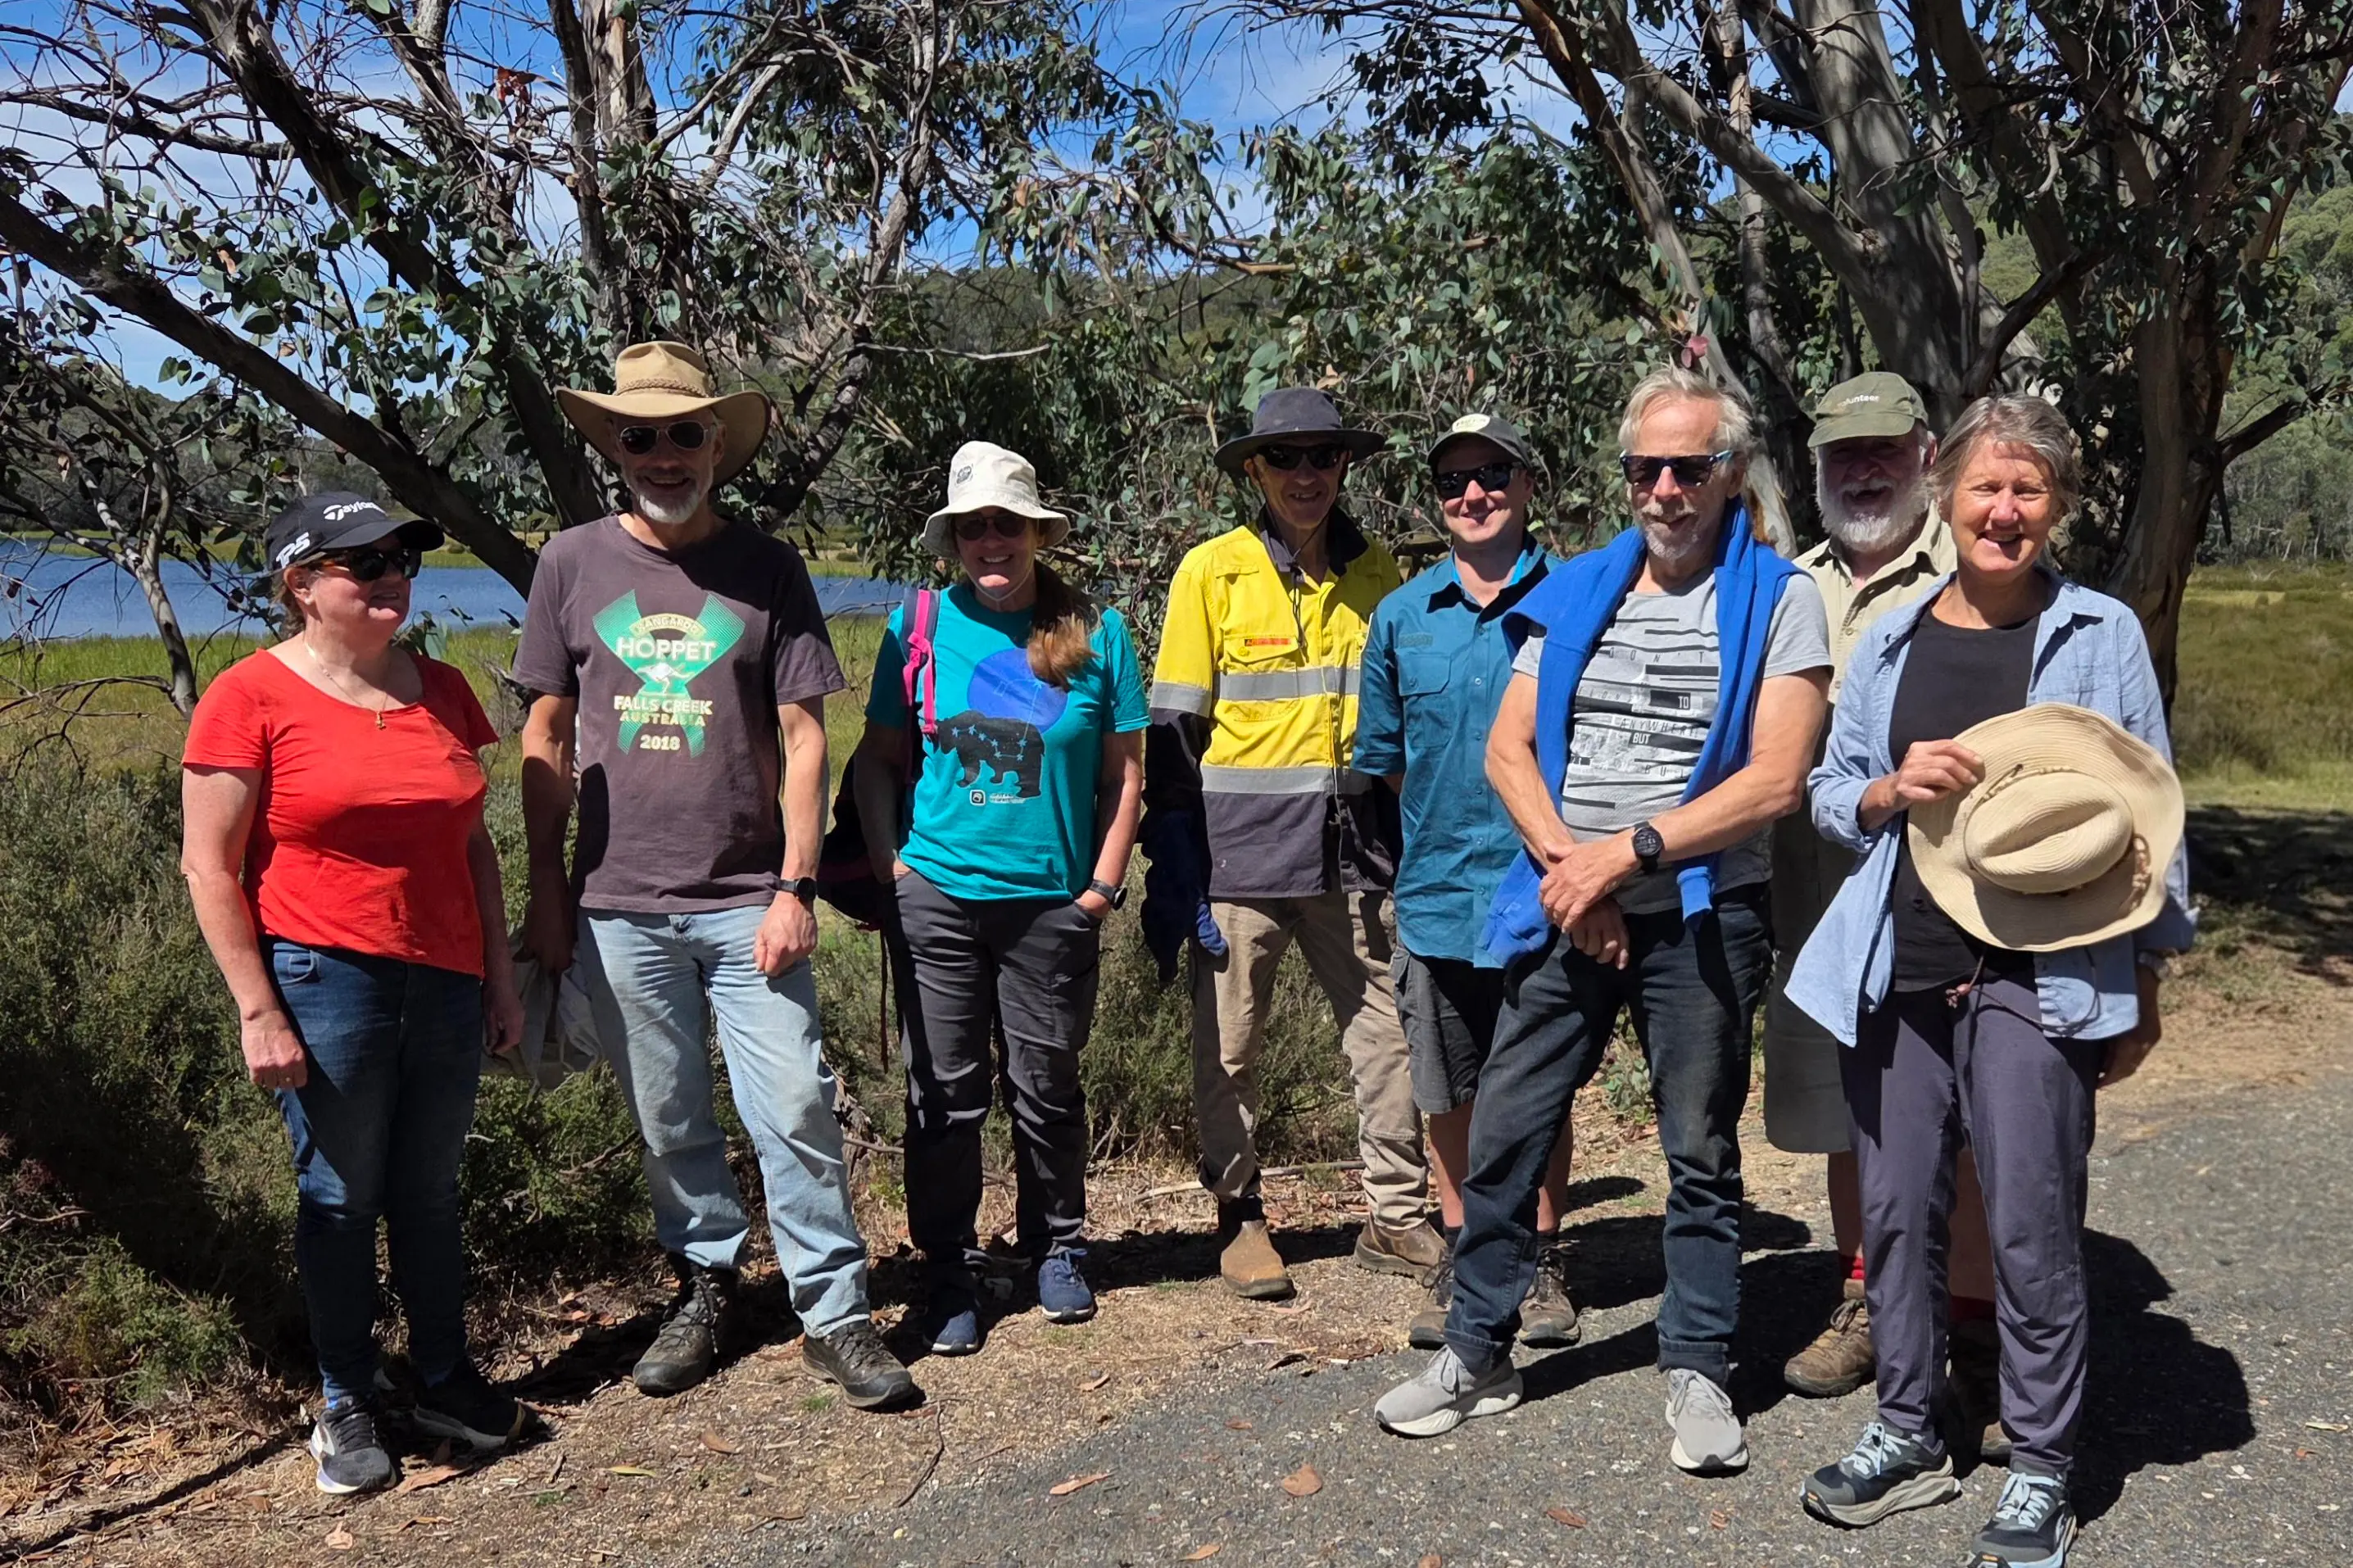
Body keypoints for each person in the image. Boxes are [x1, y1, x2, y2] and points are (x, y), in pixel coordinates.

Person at [1374, 367, 1831, 1480]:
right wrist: (1572, 873)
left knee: (1699, 1148)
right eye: (1645, 468)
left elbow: (1777, 778)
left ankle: (1700, 1365)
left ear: (1728, 473)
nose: (1666, 488)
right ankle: (1477, 1349)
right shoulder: (1579, 589)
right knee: (1507, 1129)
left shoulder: (1781, 594)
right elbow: (1506, 749)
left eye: (1689, 466)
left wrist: (1627, 857)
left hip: (1701, 912)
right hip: (1568, 901)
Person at [1787, 393, 2193, 1568]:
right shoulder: (1899, 636)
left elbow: (2150, 809)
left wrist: (2153, 976)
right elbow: (1831, 789)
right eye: (1985, 489)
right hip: (1900, 962)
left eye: (2027, 490)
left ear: (2054, 503)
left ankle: (2044, 1464)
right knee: (1901, 1211)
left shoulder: (2100, 631)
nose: (2004, 511)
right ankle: (1910, 1428)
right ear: (1944, 494)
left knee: (2028, 1221)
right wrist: (1883, 789)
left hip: (2045, 970)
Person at [514, 341, 914, 1410]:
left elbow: (804, 738)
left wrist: (795, 887)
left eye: (683, 433)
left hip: (747, 900)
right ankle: (706, 1286)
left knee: (792, 1105)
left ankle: (834, 1315)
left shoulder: (768, 568)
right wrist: (547, 892)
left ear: (715, 445)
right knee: (669, 1114)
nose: (662, 453)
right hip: (614, 904)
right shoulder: (570, 563)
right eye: (638, 435)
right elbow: (545, 733)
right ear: (615, 446)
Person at [182, 492, 528, 1494]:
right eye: (361, 563)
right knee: (338, 1198)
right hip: (326, 977)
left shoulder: (444, 689)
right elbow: (210, 868)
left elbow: (473, 848)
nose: (390, 578)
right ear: (301, 584)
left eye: (401, 561)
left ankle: (442, 1376)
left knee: (427, 1192)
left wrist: (499, 977)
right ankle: (344, 1398)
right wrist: (258, 1008)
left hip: (449, 978)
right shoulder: (248, 697)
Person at [851, 442, 1146, 1355]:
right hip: (938, 893)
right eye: (974, 526)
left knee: (1046, 1085)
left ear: (1034, 533)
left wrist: (1098, 889)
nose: (991, 541)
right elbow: (876, 761)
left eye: (1006, 525)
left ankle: (1056, 1246)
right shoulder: (922, 626)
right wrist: (891, 867)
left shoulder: (1099, 633)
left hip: (1050, 904)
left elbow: (1126, 777)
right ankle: (947, 1271)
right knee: (943, 1096)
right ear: (954, 539)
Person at [1144, 386, 1438, 1300]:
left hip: (1355, 853)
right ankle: (1240, 1218)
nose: (1305, 475)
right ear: (1254, 471)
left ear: (1343, 465)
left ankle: (1397, 1213)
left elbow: (1399, 716)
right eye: (1286, 459)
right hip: (1238, 858)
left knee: (1386, 1034)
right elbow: (1173, 733)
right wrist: (1177, 864)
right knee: (1229, 1045)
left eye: (1322, 457)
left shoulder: (1377, 570)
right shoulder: (1212, 571)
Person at [1767, 374, 2007, 1460]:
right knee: (1846, 1103)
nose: (1862, 470)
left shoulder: (1971, 570)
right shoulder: (1789, 584)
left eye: (1882, 450)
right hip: (1822, 867)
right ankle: (1868, 1296)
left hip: (1960, 868)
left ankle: (1976, 1328)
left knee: (1962, 1107)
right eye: (1841, 454)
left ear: (1924, 453)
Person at [1354, 413, 1575, 1352]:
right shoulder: (1402, 618)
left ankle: (1545, 1255)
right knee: (1447, 1091)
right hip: (1440, 892)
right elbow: (1387, 760)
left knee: (1544, 1087)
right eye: (1453, 482)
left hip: (1550, 885)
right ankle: (1460, 1248)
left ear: (1528, 485)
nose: (1473, 494)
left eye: (1491, 474)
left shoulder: (1579, 599)